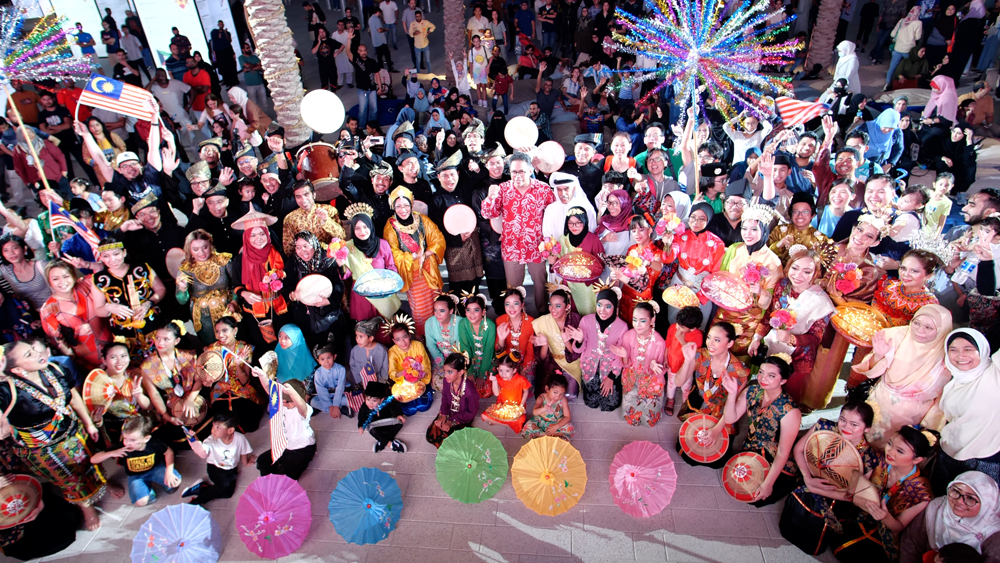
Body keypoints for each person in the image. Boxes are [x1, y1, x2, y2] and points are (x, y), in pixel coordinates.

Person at [0, 339, 105, 530]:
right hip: (46, 450)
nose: (37, 354)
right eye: (29, 355)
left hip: (75, 432)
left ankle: (103, 485)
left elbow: (72, 397)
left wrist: (89, 424)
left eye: (33, 349)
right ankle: (87, 508)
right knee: (70, 479)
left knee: (90, 462)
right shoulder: (7, 391)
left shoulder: (55, 369)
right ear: (16, 369)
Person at [780, 401, 880, 556]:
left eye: (854, 424)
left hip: (836, 497)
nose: (846, 427)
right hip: (811, 479)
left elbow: (853, 495)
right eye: (843, 420)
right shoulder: (824, 427)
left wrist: (815, 489)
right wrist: (807, 478)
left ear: (867, 428)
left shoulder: (867, 457)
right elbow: (799, 450)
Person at [853, 304, 952, 449]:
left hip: (912, 417)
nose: (919, 330)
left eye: (928, 328)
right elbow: (872, 370)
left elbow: (941, 396)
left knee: (897, 450)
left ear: (942, 331)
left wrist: (929, 426)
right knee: (864, 442)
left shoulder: (947, 355)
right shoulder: (896, 336)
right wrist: (879, 356)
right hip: (881, 403)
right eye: (916, 323)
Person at [832, 426, 935, 562]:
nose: (890, 451)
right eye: (890, 443)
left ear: (917, 460)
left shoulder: (922, 492)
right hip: (861, 514)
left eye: (899, 451)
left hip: (885, 531)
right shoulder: (878, 459)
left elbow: (899, 527)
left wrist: (885, 517)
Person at [751, 249, 836, 409]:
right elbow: (769, 315)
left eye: (807, 271)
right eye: (795, 268)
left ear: (815, 273)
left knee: (788, 400)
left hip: (798, 360)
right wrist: (756, 338)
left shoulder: (820, 301)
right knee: (767, 391)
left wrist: (790, 339)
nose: (798, 275)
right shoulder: (782, 285)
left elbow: (815, 338)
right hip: (773, 349)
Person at [720, 355, 802, 506]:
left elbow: (783, 452)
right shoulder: (752, 390)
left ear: (783, 381)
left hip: (778, 458)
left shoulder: (790, 411)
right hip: (753, 446)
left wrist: (768, 483)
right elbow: (731, 419)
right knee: (737, 480)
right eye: (761, 372)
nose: (763, 378)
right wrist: (732, 394)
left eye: (771, 376)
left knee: (757, 497)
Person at [480, 152, 556, 315]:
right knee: (513, 288)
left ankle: (543, 314)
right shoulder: (503, 189)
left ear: (530, 170)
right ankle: (516, 318)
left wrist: (551, 244)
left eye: (522, 171)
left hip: (537, 246)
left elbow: (554, 214)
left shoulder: (543, 189)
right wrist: (490, 196)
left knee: (540, 284)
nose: (518, 175)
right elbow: (488, 213)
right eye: (514, 172)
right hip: (512, 247)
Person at [934, 328, 1000, 491]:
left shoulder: (994, 375)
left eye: (968, 349)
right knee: (943, 499)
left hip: (984, 459)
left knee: (974, 508)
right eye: (953, 350)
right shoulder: (954, 382)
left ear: (982, 350)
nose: (960, 356)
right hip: (948, 453)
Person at [714, 203, 783, 355]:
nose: (747, 234)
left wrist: (761, 291)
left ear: (764, 230)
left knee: (738, 356)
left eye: (754, 229)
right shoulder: (734, 249)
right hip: (725, 312)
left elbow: (773, 302)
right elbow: (721, 277)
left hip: (749, 319)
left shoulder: (773, 261)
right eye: (744, 228)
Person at [384, 186, 444, 337]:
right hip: (413, 274)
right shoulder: (390, 227)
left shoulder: (421, 219)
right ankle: (425, 338)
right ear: (393, 207)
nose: (402, 209)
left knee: (438, 305)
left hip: (430, 270)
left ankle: (443, 336)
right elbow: (392, 253)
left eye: (406, 205)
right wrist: (413, 257)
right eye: (398, 206)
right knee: (420, 311)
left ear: (411, 205)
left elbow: (437, 238)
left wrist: (426, 253)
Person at [900, 471, 1000, 562]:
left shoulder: (993, 534)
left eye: (970, 498)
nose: (959, 501)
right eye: (956, 491)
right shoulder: (936, 508)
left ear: (987, 504)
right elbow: (910, 545)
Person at [675, 322, 750, 443]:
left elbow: (733, 406)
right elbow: (678, 382)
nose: (710, 343)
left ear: (730, 343)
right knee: (686, 446)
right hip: (698, 403)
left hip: (722, 414)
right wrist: (688, 361)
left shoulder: (739, 371)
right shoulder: (701, 355)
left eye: (717, 340)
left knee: (713, 454)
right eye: (709, 337)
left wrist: (715, 431)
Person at [93, 235, 165, 359]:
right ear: (101, 258)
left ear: (124, 252)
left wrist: (149, 303)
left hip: (152, 326)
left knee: (160, 361)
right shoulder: (99, 279)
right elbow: (98, 310)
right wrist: (110, 307)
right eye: (106, 256)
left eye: (116, 254)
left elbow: (161, 289)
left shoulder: (143, 268)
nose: (112, 259)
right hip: (124, 334)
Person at [140, 322, 207, 446]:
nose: (160, 343)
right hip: (171, 405)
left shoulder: (189, 356)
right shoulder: (147, 366)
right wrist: (167, 416)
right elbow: (154, 394)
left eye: (166, 339)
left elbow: (198, 380)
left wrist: (191, 399)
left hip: (193, 397)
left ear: (176, 341)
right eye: (158, 338)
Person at [91, 415, 180, 507]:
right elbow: (93, 459)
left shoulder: (154, 443)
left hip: (155, 469)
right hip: (136, 476)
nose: (127, 443)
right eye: (125, 438)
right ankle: (148, 491)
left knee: (175, 482)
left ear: (146, 438)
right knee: (140, 502)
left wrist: (169, 473)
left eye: (133, 440)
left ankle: (165, 482)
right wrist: (111, 453)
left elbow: (169, 453)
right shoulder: (123, 447)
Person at [40, 260, 112, 372]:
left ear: (73, 276)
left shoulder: (86, 284)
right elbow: (58, 340)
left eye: (65, 276)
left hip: (114, 343)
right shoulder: (48, 308)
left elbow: (106, 271)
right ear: (49, 282)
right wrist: (75, 361)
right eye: (55, 279)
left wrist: (86, 264)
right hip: (87, 358)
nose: (62, 282)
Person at [663, 202, 725, 330]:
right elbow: (668, 258)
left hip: (702, 291)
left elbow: (716, 274)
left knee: (696, 327)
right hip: (680, 286)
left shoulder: (717, 243)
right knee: (675, 325)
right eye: (693, 217)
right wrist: (667, 244)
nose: (696, 222)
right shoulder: (680, 237)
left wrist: (701, 297)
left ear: (708, 220)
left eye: (702, 219)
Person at [181, 411, 255, 505]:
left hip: (231, 469)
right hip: (215, 468)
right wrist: (194, 442)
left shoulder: (240, 438)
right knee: (223, 486)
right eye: (213, 426)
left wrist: (246, 462)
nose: (213, 430)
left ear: (230, 430)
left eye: (218, 427)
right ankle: (198, 500)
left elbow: (243, 451)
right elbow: (202, 454)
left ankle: (201, 488)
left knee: (228, 494)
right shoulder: (210, 440)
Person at [572, 287, 627, 412]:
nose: (603, 310)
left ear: (615, 307)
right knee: (590, 402)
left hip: (610, 370)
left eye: (608, 306)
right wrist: (580, 340)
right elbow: (578, 350)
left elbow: (620, 356)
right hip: (589, 368)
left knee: (610, 404)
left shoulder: (622, 326)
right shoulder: (586, 321)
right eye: (599, 305)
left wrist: (611, 378)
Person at [252, 373, 316, 480]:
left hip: (303, 449)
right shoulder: (281, 405)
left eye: (290, 401)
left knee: (286, 474)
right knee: (262, 461)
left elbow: (301, 405)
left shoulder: (304, 410)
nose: (287, 403)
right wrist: (261, 375)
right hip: (285, 446)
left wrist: (292, 393)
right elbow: (269, 390)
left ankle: (281, 481)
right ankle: (269, 483)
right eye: (284, 400)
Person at [426, 353, 480, 447]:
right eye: (445, 371)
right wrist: (443, 415)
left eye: (450, 372)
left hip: (462, 417)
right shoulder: (447, 381)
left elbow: (471, 412)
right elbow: (445, 398)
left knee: (449, 442)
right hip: (449, 412)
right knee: (431, 436)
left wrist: (451, 421)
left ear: (461, 372)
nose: (446, 375)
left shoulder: (470, 390)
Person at [458, 293, 497, 398]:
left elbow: (489, 351)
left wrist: (482, 374)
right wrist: (469, 371)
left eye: (476, 310)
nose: (472, 314)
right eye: (468, 310)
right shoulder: (463, 324)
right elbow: (465, 349)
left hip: (488, 361)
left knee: (486, 391)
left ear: (483, 312)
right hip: (470, 361)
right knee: (464, 386)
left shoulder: (490, 326)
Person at [481, 352, 531, 432]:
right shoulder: (498, 378)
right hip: (502, 407)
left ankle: (503, 422)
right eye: (501, 370)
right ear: (497, 369)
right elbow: (496, 393)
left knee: (521, 419)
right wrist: (494, 381)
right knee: (484, 416)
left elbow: (526, 392)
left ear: (514, 370)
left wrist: (521, 406)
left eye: (507, 371)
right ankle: (508, 424)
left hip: (516, 408)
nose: (503, 374)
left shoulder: (521, 380)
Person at [522, 371, 575, 439]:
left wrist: (556, 426)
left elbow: (567, 417)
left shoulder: (563, 400)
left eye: (561, 394)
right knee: (528, 427)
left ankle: (544, 436)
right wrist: (544, 408)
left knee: (569, 427)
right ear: (547, 389)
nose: (558, 396)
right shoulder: (541, 398)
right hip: (541, 421)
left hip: (556, 421)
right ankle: (553, 436)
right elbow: (535, 412)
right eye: (555, 392)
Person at [358, 381, 407, 453]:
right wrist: (360, 426)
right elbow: (361, 417)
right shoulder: (365, 406)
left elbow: (396, 407)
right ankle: (391, 444)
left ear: (381, 400)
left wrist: (399, 415)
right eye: (368, 399)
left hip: (387, 422)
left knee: (400, 422)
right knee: (371, 428)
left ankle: (382, 441)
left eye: (374, 401)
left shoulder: (387, 402)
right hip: (376, 425)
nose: (370, 403)